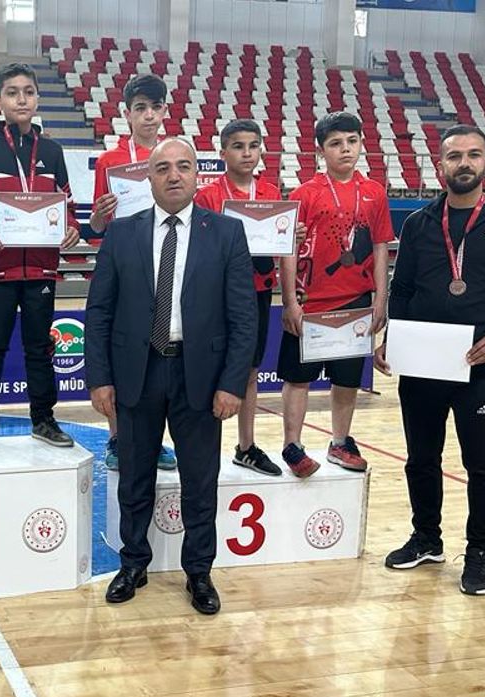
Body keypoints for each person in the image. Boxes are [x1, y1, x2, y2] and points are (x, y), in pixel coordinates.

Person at [85, 137, 256, 615]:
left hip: (200, 376)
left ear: (197, 175)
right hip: (136, 373)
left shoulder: (227, 233)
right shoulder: (122, 233)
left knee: (200, 481)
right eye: (162, 168)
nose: (174, 175)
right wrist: (99, 378)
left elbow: (244, 317)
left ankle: (198, 571)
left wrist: (231, 384)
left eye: (183, 166)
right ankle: (133, 563)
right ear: (149, 178)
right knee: (133, 477)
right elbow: (99, 312)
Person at [377, 124, 485, 596]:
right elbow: (402, 289)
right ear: (440, 166)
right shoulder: (419, 223)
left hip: (478, 362)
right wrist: (393, 337)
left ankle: (478, 553)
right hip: (423, 362)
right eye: (455, 156)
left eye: (473, 154)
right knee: (420, 459)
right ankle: (426, 539)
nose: (464, 163)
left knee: (482, 464)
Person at [0, 63, 81, 453]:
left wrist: (72, 227)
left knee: (40, 348)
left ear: (37, 98)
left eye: (28, 92)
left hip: (42, 269)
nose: (22, 99)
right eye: (12, 93)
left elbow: (67, 207)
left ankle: (43, 419)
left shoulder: (53, 152)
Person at [278, 111, 393, 478]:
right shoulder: (304, 194)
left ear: (361, 143)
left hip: (356, 301)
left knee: (347, 379)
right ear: (320, 151)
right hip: (310, 302)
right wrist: (290, 302)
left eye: (352, 141)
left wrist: (380, 299)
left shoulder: (374, 193)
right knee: (298, 378)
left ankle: (340, 441)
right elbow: (288, 250)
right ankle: (292, 445)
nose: (345, 149)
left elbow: (380, 246)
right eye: (336, 143)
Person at [194, 118, 304, 477]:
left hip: (257, 292)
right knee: (208, 368)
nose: (246, 153)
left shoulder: (271, 192)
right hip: (215, 294)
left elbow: (284, 251)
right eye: (238, 146)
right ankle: (202, 447)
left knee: (250, 369)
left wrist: (292, 240)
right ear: (222, 152)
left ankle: (245, 446)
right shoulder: (208, 196)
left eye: (253, 146)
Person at [86, 73, 177, 473]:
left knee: (160, 357)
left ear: (164, 111)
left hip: (167, 263)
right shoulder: (110, 161)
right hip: (125, 267)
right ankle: (117, 437)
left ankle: (154, 440)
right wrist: (99, 215)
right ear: (127, 114)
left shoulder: (174, 155)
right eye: (140, 108)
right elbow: (96, 227)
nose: (148, 115)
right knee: (123, 353)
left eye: (155, 107)